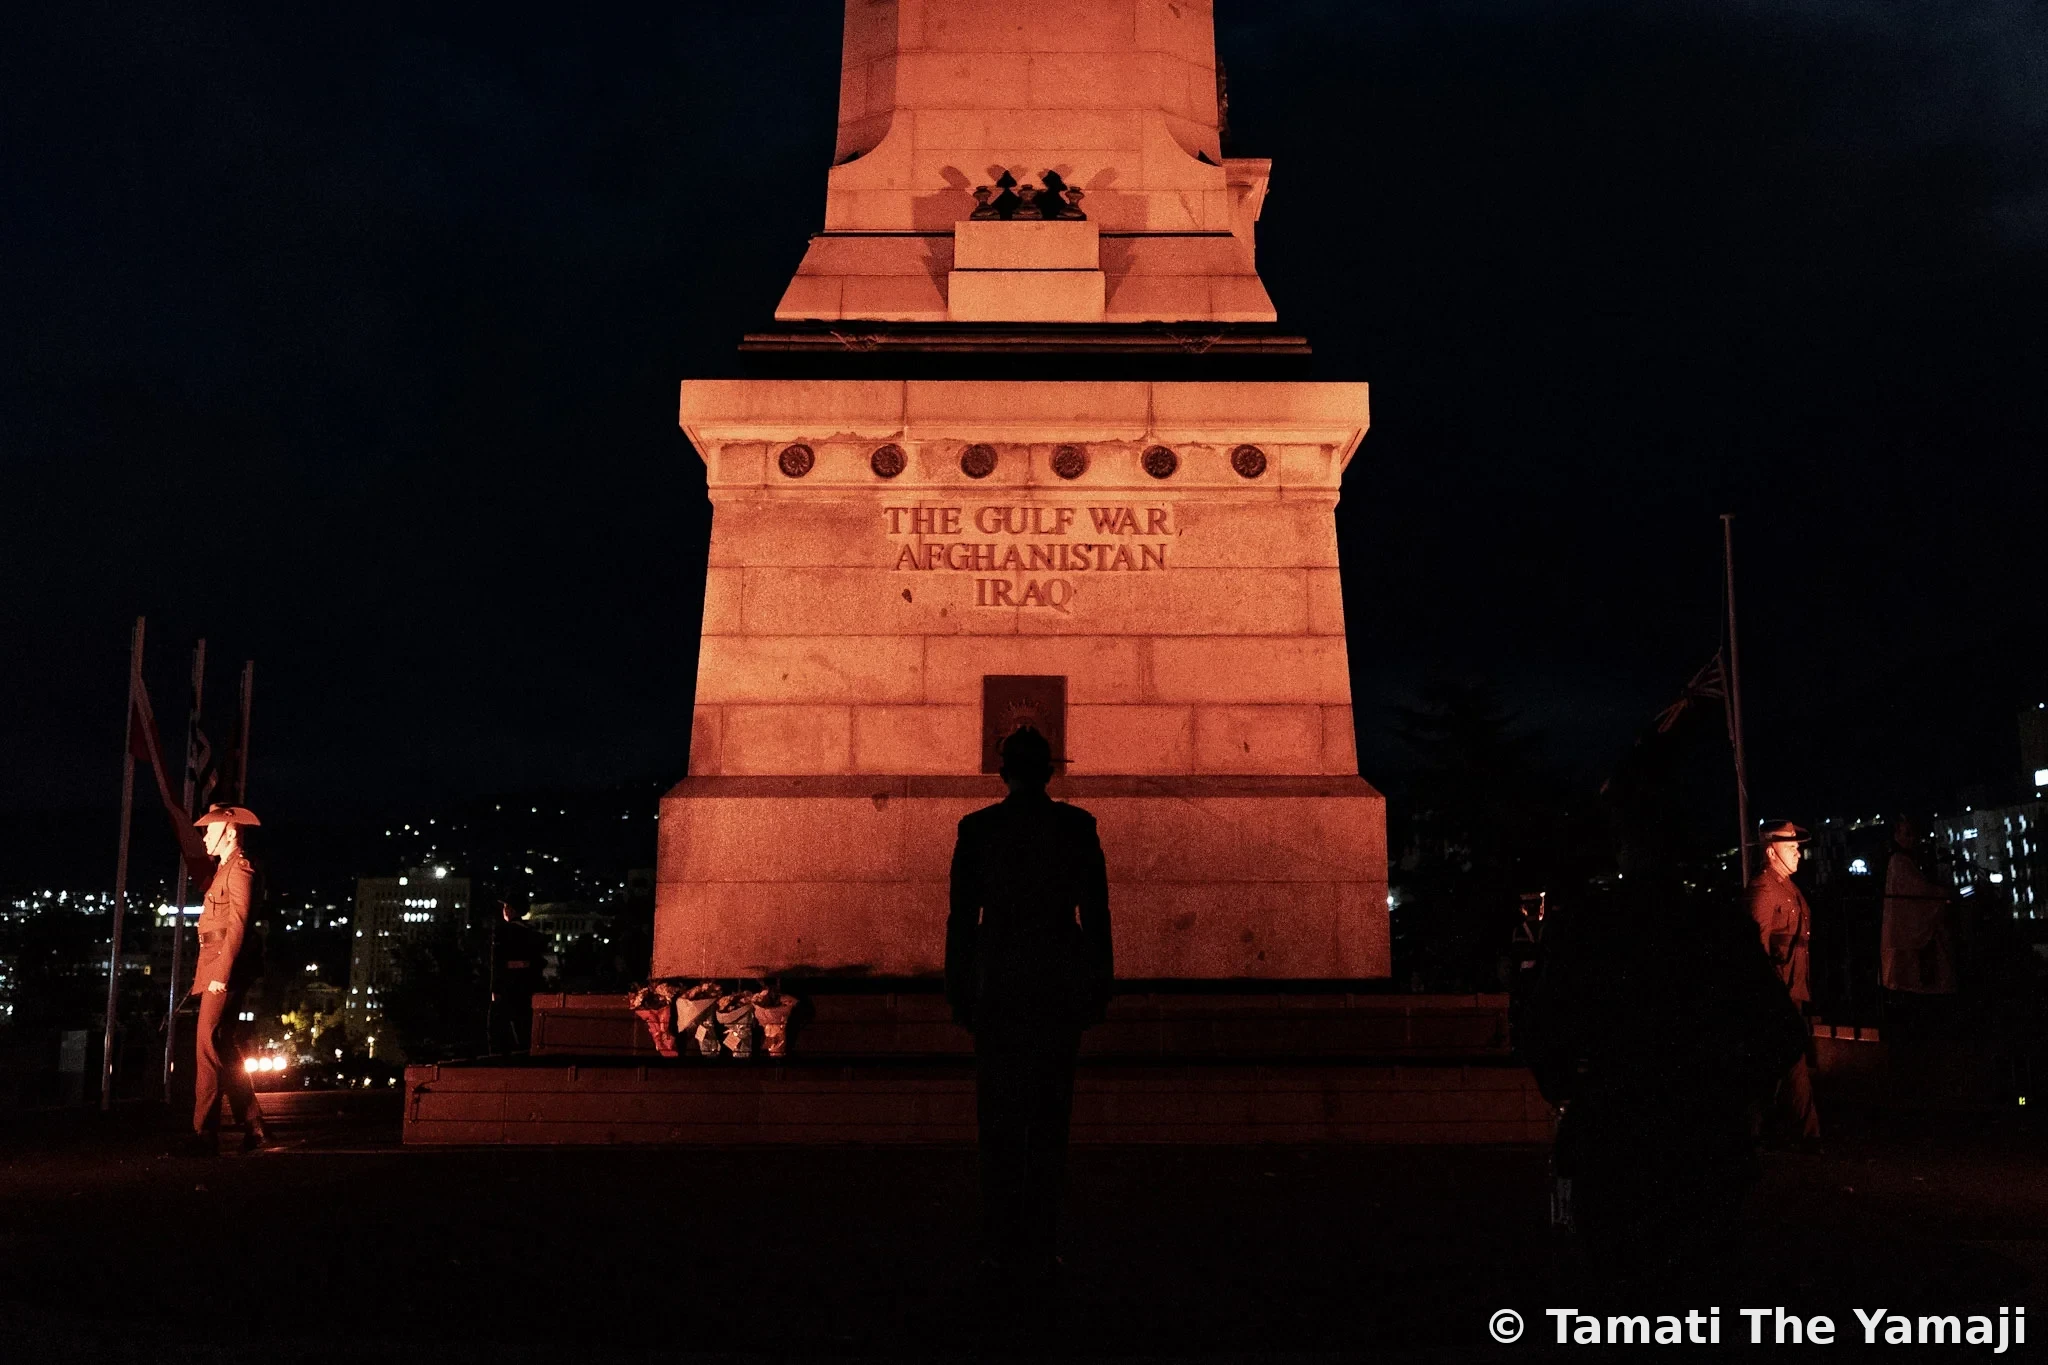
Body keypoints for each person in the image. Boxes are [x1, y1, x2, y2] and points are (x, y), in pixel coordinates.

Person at [946, 726, 1111, 1283]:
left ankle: (996, 1243)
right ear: (1049, 772)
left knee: (997, 1122)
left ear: (1003, 774)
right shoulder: (1076, 827)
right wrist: (1097, 986)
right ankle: (1040, 1243)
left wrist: (959, 989)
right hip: (1057, 987)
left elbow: (962, 922)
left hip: (999, 987)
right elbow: (1097, 916)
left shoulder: (978, 830)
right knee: (1048, 1122)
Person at [186, 803, 269, 1155]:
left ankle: (204, 1134)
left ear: (229, 832)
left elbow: (238, 923)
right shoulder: (225, 869)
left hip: (225, 967)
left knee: (206, 1044)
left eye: (210, 830)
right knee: (221, 1045)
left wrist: (221, 974)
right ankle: (253, 1125)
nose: (205, 836)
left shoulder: (240, 869)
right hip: (214, 964)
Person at [1747, 822, 1820, 1145]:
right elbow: (1753, 946)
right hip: (1777, 992)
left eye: (1797, 846)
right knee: (1791, 1060)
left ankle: (1754, 1129)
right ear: (1771, 852)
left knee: (1775, 1063)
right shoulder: (1765, 890)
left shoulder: (1788, 888)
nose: (1798, 852)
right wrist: (1766, 991)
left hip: (1792, 989)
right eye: (1790, 847)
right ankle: (1808, 1133)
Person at [1880, 817, 1957, 1037]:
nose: (1912, 839)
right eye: (1906, 834)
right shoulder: (1899, 861)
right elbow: (1919, 890)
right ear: (1896, 836)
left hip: (1905, 934)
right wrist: (1944, 894)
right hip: (1907, 937)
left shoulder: (1904, 861)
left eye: (1912, 834)